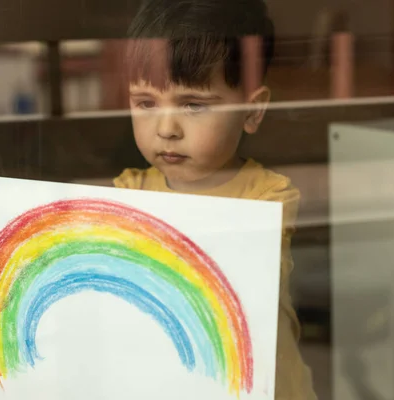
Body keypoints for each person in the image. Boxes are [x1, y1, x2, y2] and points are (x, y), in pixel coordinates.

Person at [113, 0, 318, 398]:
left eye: (193, 104)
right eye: (146, 103)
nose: (166, 128)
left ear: (252, 111)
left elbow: (232, 289)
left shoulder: (269, 195)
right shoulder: (130, 189)